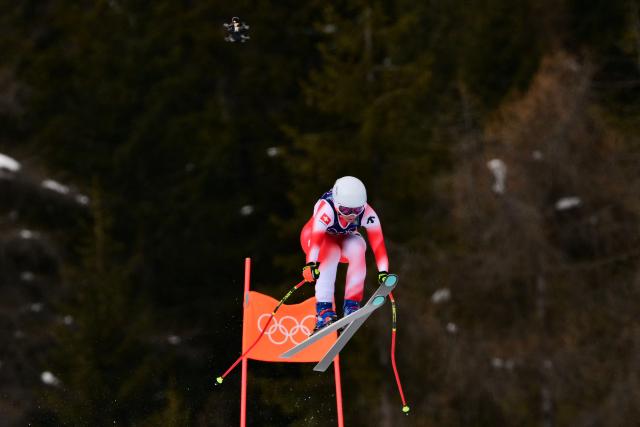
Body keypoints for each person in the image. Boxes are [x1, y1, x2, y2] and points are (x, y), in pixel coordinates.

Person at [300, 176, 395, 333]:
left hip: (342, 239)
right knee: (332, 252)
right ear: (337, 205)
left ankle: (351, 305)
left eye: (356, 211)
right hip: (313, 239)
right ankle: (323, 310)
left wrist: (383, 272)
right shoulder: (327, 209)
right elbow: (316, 240)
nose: (351, 215)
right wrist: (310, 264)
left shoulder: (368, 213)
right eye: (345, 210)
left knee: (358, 247)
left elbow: (378, 244)